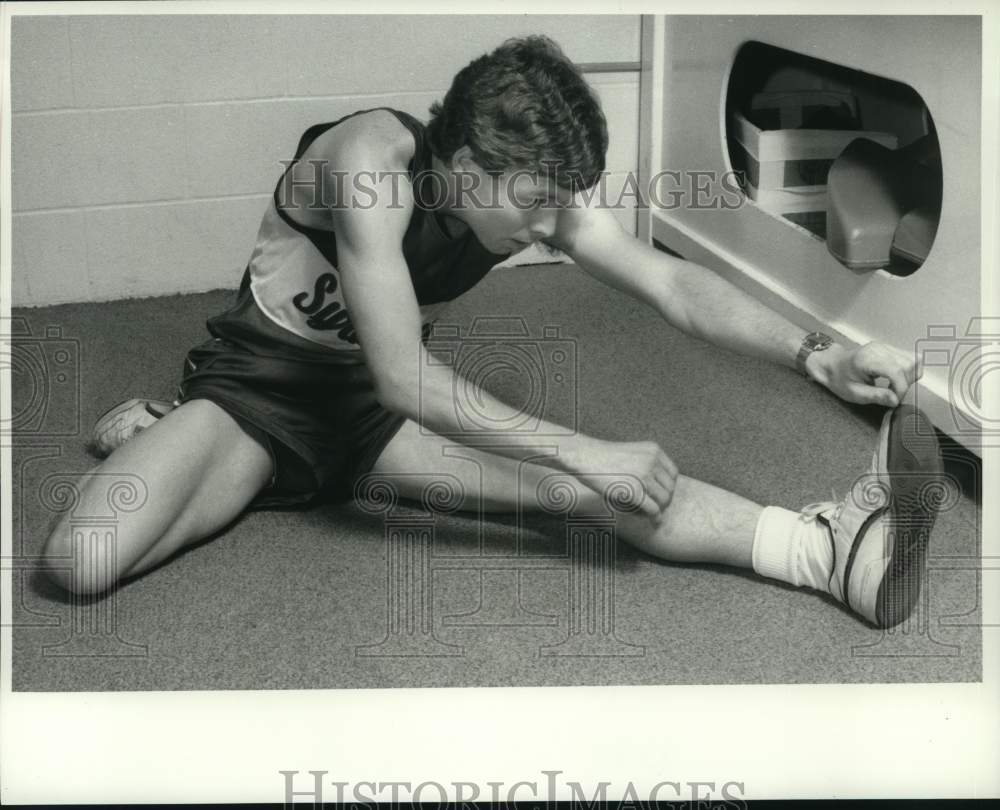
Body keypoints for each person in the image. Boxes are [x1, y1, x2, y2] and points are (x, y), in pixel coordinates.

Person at [42, 35, 942, 630]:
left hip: (366, 423)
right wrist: (585, 446)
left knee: (593, 498)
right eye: (537, 200)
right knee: (79, 563)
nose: (552, 223)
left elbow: (670, 282)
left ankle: (825, 553)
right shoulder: (367, 166)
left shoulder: (521, 196)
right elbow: (404, 372)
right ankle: (178, 429)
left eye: (562, 202)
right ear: (469, 166)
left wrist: (819, 354)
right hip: (256, 395)